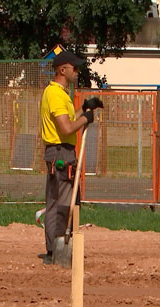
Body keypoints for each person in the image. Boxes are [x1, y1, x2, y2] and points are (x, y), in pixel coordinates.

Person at [39, 50, 103, 265]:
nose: (77, 71)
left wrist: (84, 110)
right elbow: (66, 127)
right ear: (62, 69)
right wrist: (85, 120)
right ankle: (58, 250)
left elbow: (69, 119)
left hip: (59, 151)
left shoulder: (58, 93)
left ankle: (53, 250)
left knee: (58, 201)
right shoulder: (56, 94)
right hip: (61, 153)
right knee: (64, 203)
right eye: (74, 68)